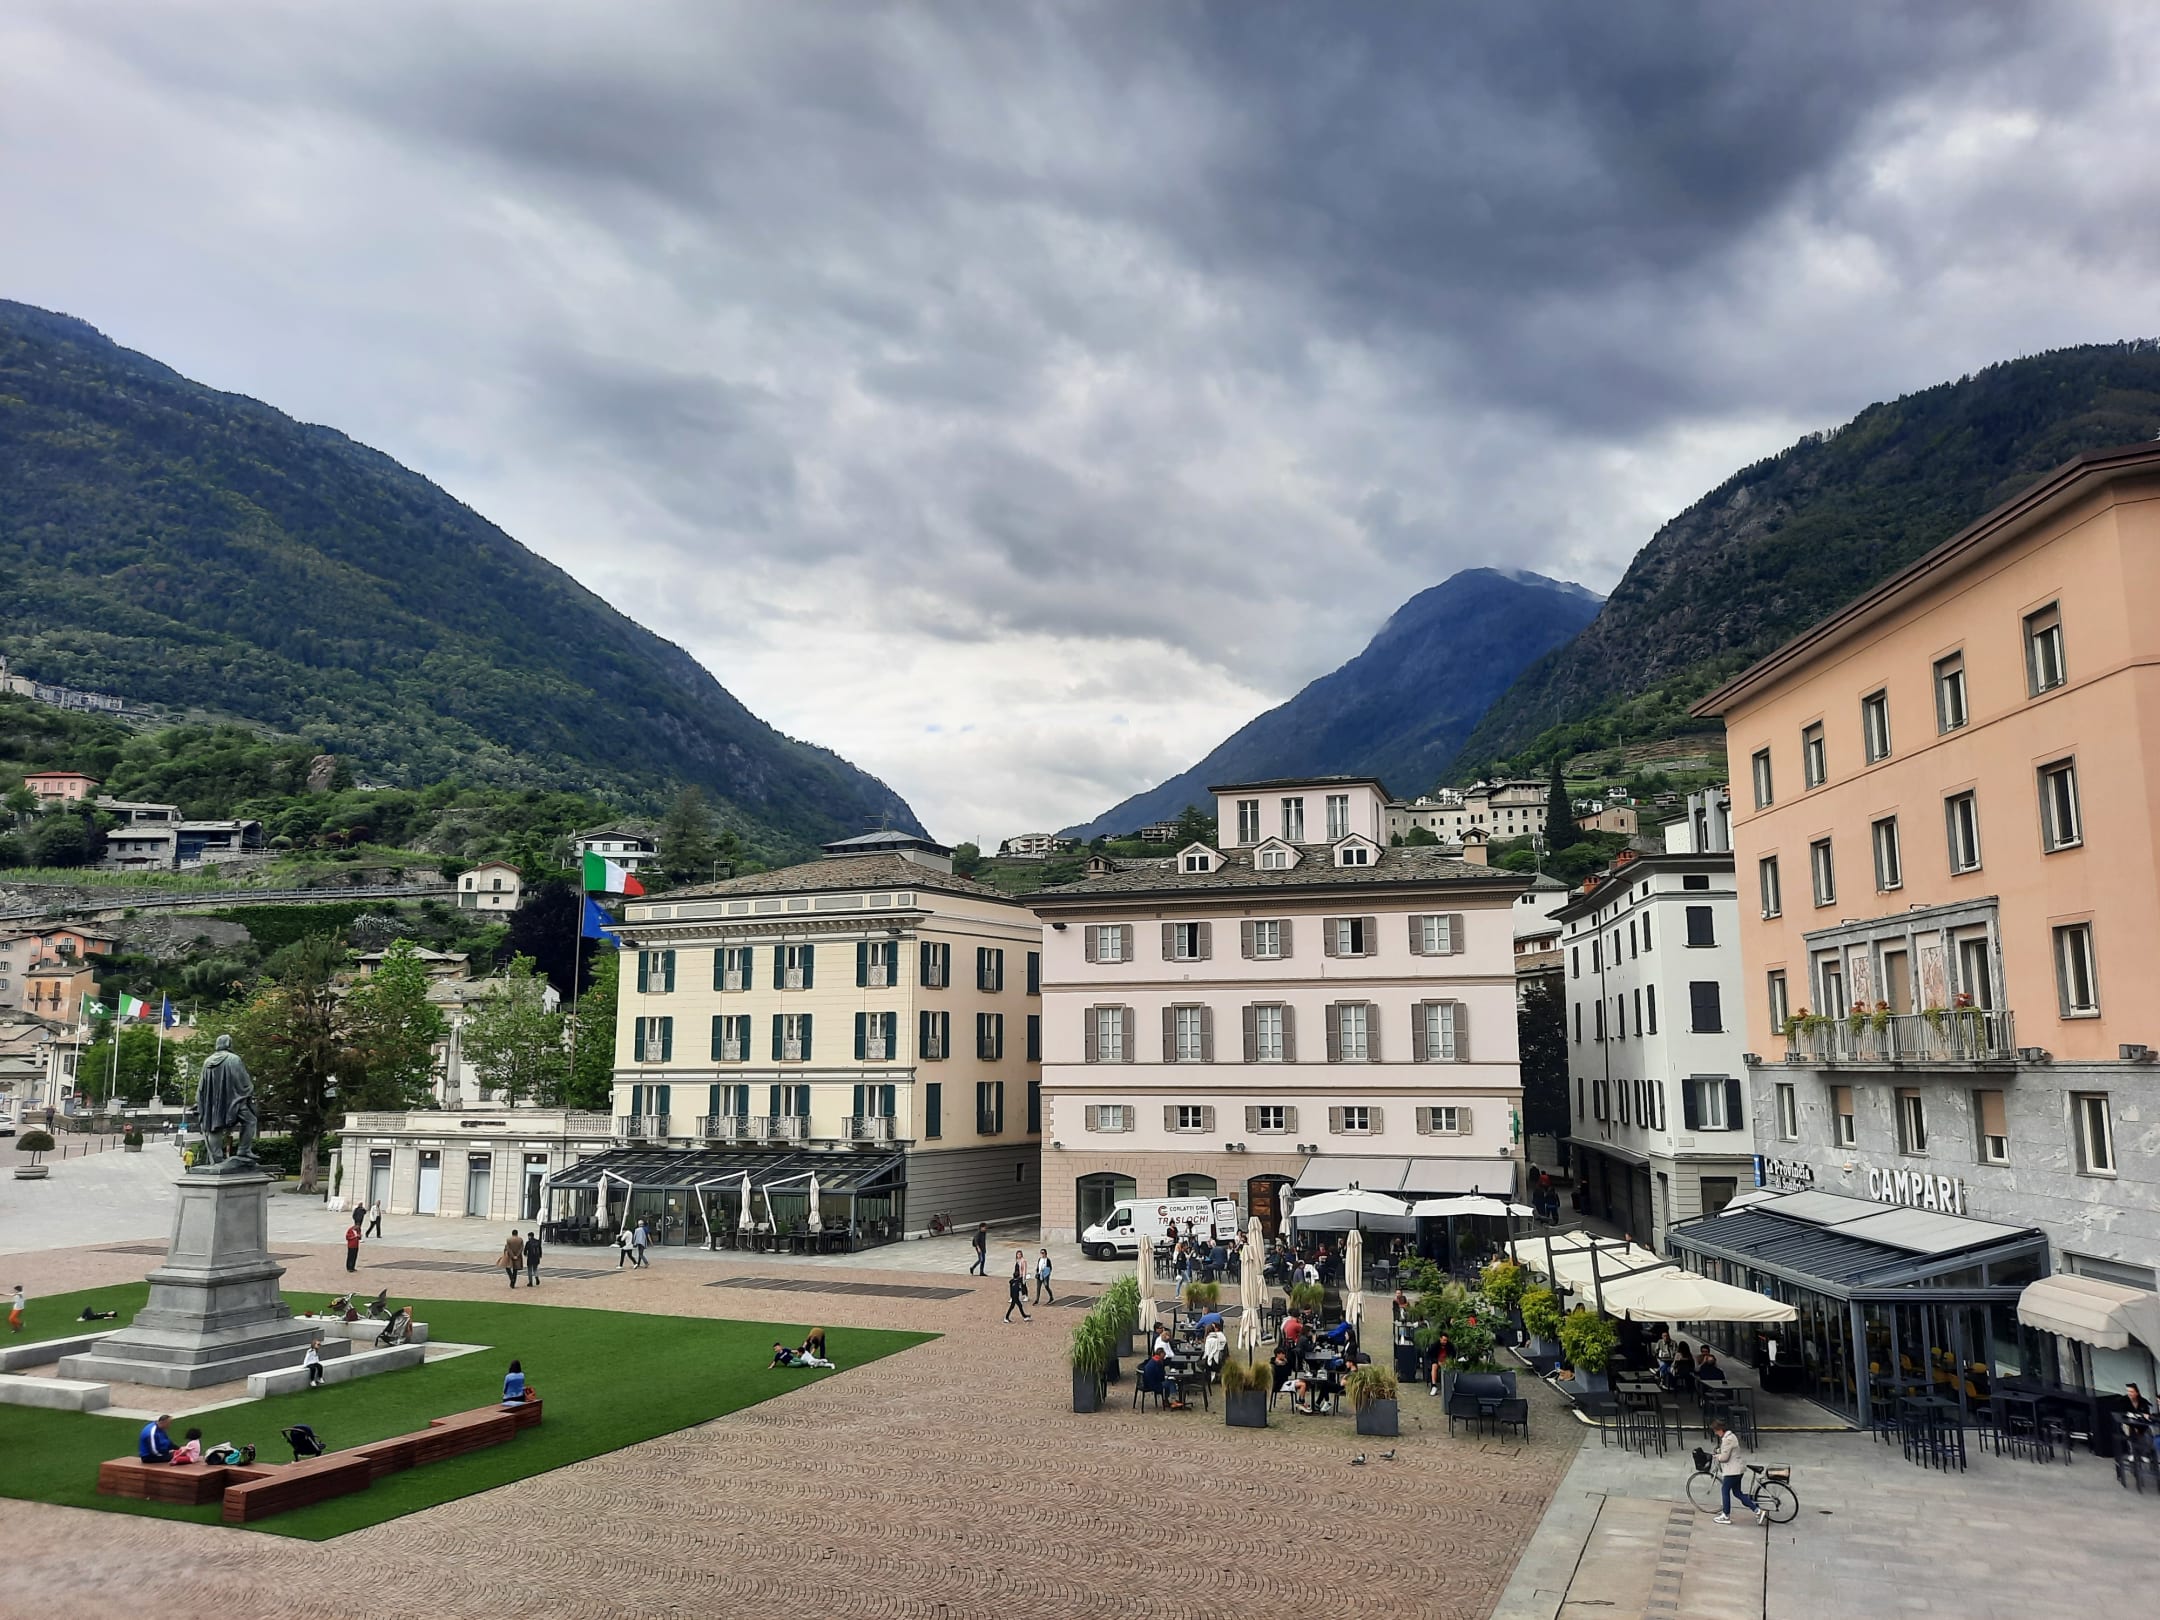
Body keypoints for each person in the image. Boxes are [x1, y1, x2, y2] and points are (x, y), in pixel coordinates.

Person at [1711, 1419, 1765, 1525]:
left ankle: (1726, 1515)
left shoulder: (1727, 1440)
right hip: (1738, 1470)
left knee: (1725, 1491)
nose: (1716, 1433)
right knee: (1737, 1493)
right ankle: (1757, 1511)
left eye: (1716, 1431)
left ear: (1720, 1429)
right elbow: (1729, 1451)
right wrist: (1720, 1452)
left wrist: (1717, 1456)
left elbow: (1724, 1458)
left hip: (1732, 1471)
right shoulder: (1731, 1436)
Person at [1005, 1254, 1032, 1322]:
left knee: (1019, 1306)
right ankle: (1006, 1317)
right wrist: (1020, 1289)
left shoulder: (1012, 1281)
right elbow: (1017, 1289)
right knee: (1013, 1307)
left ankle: (1024, 1316)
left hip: (1014, 1296)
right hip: (1015, 1297)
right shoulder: (1016, 1283)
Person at [1427, 1330, 1454, 1396]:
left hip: (1446, 1361)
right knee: (1434, 1366)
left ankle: (1450, 1385)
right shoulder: (1435, 1345)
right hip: (1437, 1361)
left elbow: (1453, 1354)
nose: (1445, 1342)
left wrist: (1448, 1361)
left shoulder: (1450, 1345)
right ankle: (1434, 1386)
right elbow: (1431, 1355)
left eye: (1446, 1340)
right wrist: (1437, 1361)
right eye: (1444, 1340)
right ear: (1440, 1339)